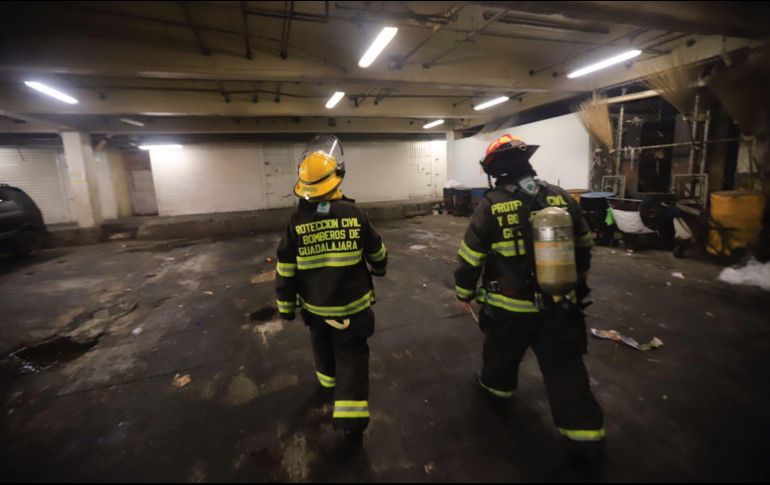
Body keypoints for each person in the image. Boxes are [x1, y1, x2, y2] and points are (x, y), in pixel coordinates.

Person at [453, 134, 605, 458]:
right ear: (527, 164)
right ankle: (585, 435)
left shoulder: (490, 206)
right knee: (565, 368)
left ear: (495, 172)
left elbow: (470, 257)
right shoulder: (561, 198)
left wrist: (464, 291)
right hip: (560, 304)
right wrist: (574, 283)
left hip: (509, 308)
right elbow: (584, 246)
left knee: (500, 356)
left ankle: (496, 393)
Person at [275, 134, 387, 441]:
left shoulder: (296, 221)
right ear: (335, 180)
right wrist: (379, 268)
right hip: (353, 308)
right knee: (351, 354)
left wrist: (286, 307)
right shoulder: (355, 213)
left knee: (321, 344)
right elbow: (377, 252)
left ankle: (326, 384)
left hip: (316, 308)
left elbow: (285, 266)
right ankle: (351, 421)